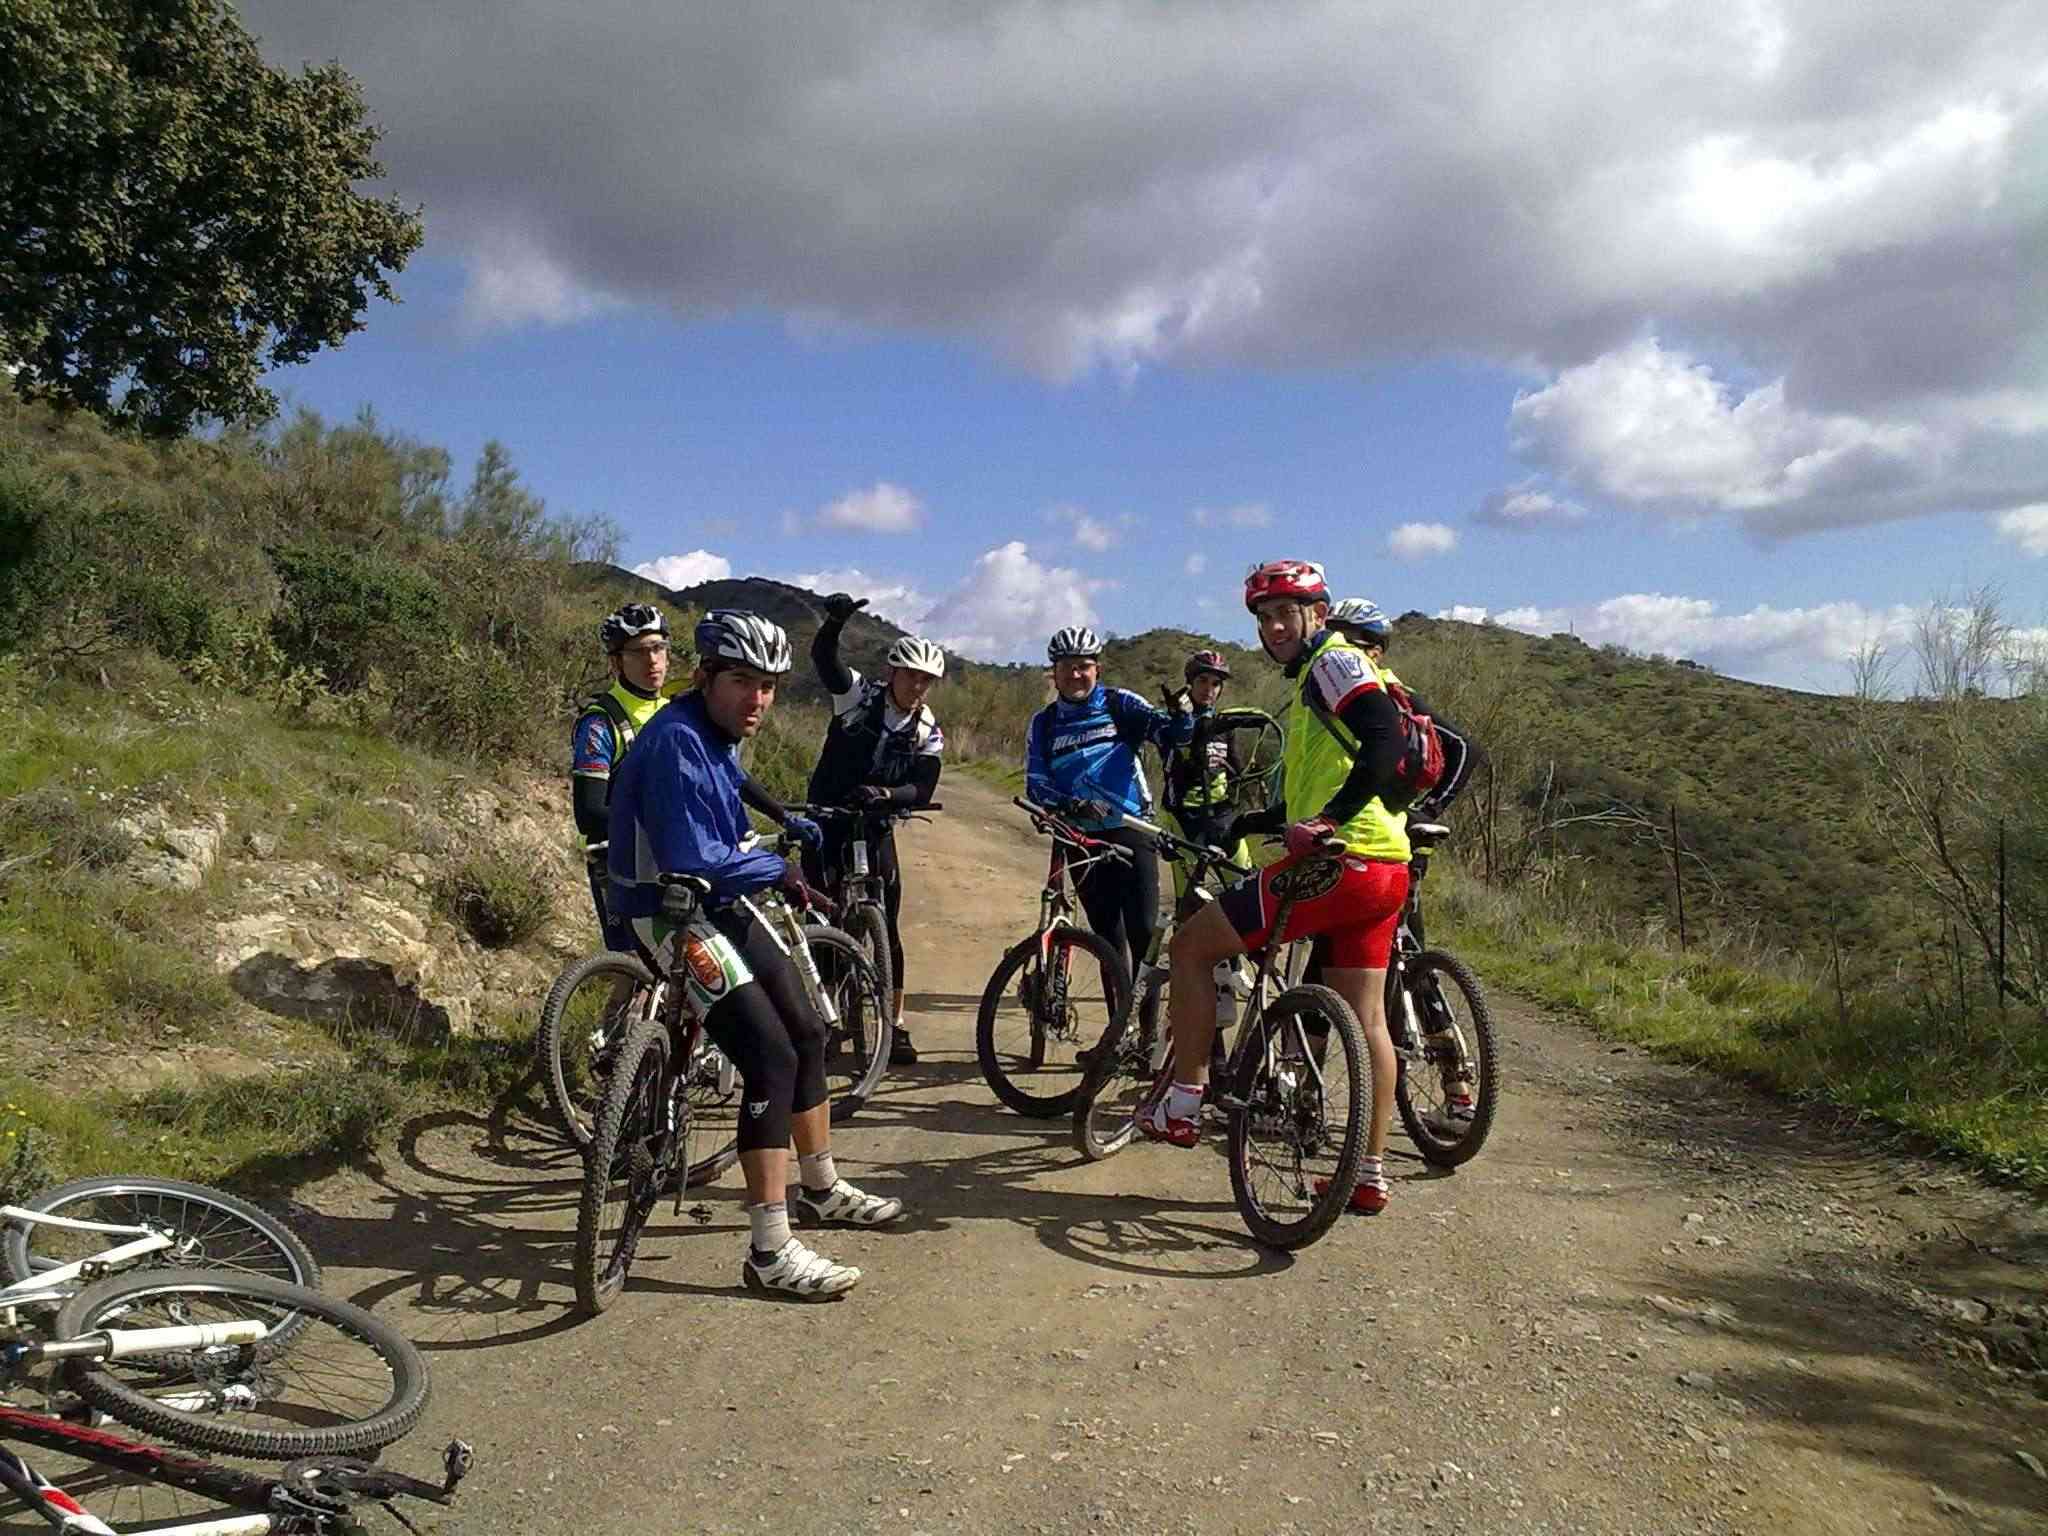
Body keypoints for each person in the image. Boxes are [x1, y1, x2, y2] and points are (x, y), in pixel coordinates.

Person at [607, 609, 902, 1299]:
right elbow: (693, 859)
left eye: (768, 685)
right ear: (705, 676)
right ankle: (770, 1250)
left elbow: (736, 785)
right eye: (743, 681)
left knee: (807, 1029)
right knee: (768, 1053)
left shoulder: (712, 730)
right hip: (667, 913)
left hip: (715, 902)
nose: (758, 699)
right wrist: (780, 868)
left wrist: (782, 818)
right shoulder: (675, 742)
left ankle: (821, 1187)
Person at [1141, 560, 1410, 1216]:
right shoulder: (1337, 670)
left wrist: (1327, 820)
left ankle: (1184, 1102)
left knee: (1190, 948)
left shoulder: (1333, 662)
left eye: (1286, 612)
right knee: (1369, 1019)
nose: (1273, 626)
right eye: (1263, 617)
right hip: (1385, 868)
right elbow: (1376, 755)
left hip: (1337, 863)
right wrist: (1267, 819)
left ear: (1317, 613)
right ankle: (1369, 1173)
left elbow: (1385, 737)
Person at [803, 592, 947, 1064]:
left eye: (926, 680)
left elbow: (923, 788)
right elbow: (824, 658)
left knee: (888, 923)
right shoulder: (857, 694)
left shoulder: (926, 725)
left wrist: (887, 797)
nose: (918, 686)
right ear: (893, 673)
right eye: (911, 676)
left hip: (876, 822)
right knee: (821, 918)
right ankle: (824, 1018)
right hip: (829, 817)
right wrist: (835, 622)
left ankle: (896, 1022)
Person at [1024, 626, 1195, 977]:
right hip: (1079, 837)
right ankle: (1118, 1027)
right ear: (1053, 674)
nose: (1075, 674)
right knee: (1106, 941)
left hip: (1131, 828)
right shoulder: (1044, 723)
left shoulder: (1121, 704)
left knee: (1143, 934)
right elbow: (1036, 783)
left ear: (1097, 669)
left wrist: (1182, 715)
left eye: (1083, 666)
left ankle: (1145, 1030)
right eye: (1067, 667)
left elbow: (1170, 736)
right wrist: (1070, 805)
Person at [571, 603, 673, 951]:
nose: (653, 661)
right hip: (618, 864)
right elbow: (588, 813)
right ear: (616, 662)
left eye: (659, 648)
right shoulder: (600, 723)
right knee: (634, 978)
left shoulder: (674, 712)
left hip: (670, 860)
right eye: (640, 652)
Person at [1159, 649, 1250, 898]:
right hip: (1185, 821)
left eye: (1216, 683)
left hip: (1222, 818)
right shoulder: (1172, 721)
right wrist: (1180, 718)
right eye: (1202, 681)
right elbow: (1174, 745)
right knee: (1187, 900)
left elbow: (1236, 769)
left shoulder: (1223, 725)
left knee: (1246, 892)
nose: (1209, 688)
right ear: (1189, 682)